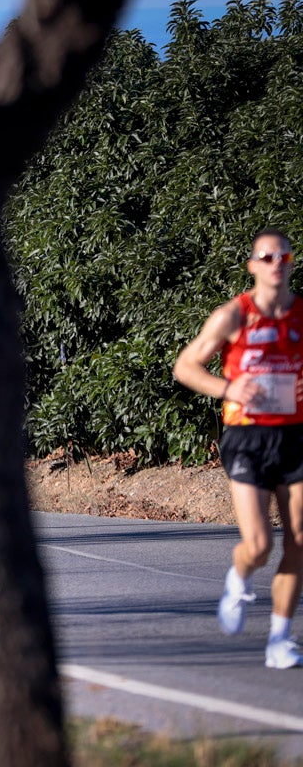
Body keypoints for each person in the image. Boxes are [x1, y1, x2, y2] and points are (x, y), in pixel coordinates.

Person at [173, 227, 303, 669]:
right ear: (252, 266)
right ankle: (240, 576)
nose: (276, 264)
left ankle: (280, 639)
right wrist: (230, 388)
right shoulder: (233, 315)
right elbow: (185, 367)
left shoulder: (301, 314)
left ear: (291, 263)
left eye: (283, 257)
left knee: (299, 541)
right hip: (247, 437)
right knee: (260, 545)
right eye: (266, 257)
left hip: (295, 436)